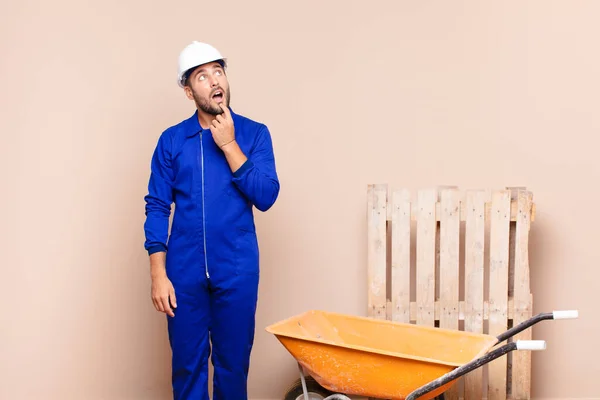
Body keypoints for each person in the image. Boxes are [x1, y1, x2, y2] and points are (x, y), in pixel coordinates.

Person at [143, 41, 280, 400]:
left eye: (218, 71)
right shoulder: (172, 141)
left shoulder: (254, 134)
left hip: (237, 270)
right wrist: (158, 274)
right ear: (189, 91)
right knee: (187, 369)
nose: (214, 80)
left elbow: (266, 195)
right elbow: (157, 206)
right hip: (183, 273)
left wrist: (230, 145)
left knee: (233, 368)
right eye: (202, 76)